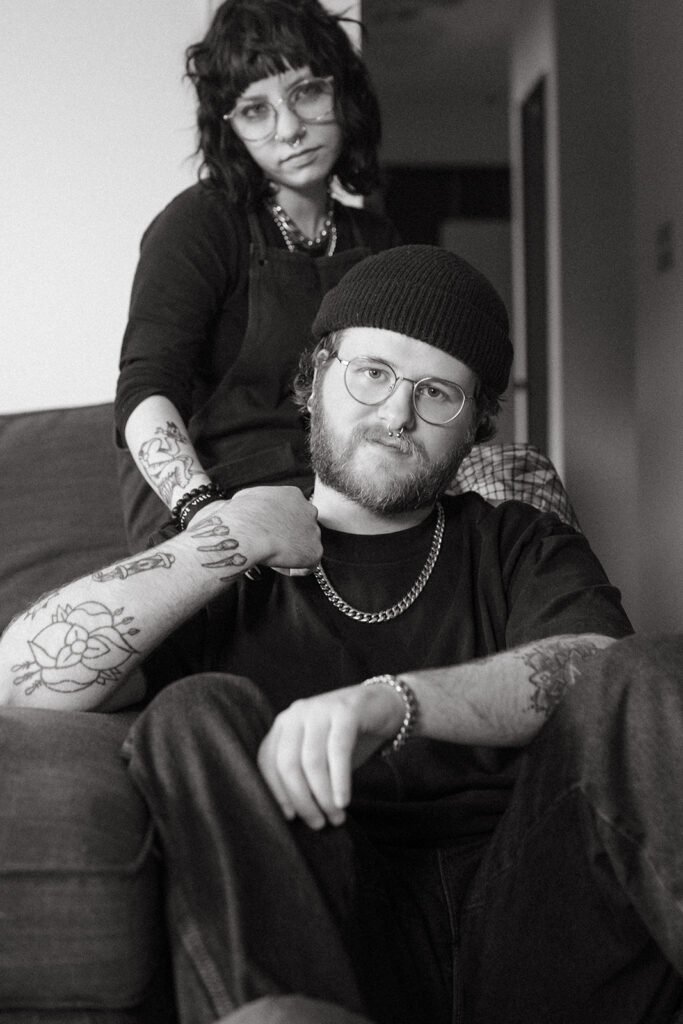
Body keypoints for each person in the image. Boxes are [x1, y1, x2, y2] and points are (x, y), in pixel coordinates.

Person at [2, 246, 681, 1024]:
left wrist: (394, 703)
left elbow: (595, 667)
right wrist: (227, 537)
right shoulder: (226, 560)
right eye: (372, 373)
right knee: (193, 710)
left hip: (532, 921)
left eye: (437, 393)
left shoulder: (516, 543)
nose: (396, 414)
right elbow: (19, 681)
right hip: (322, 932)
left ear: (475, 426)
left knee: (652, 669)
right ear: (313, 378)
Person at [114, 0, 399, 551]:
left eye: (307, 92)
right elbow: (145, 390)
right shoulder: (200, 223)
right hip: (217, 497)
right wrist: (207, 515)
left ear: (343, 93)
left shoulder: (378, 239)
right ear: (231, 129)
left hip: (343, 497)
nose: (289, 129)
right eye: (254, 110)